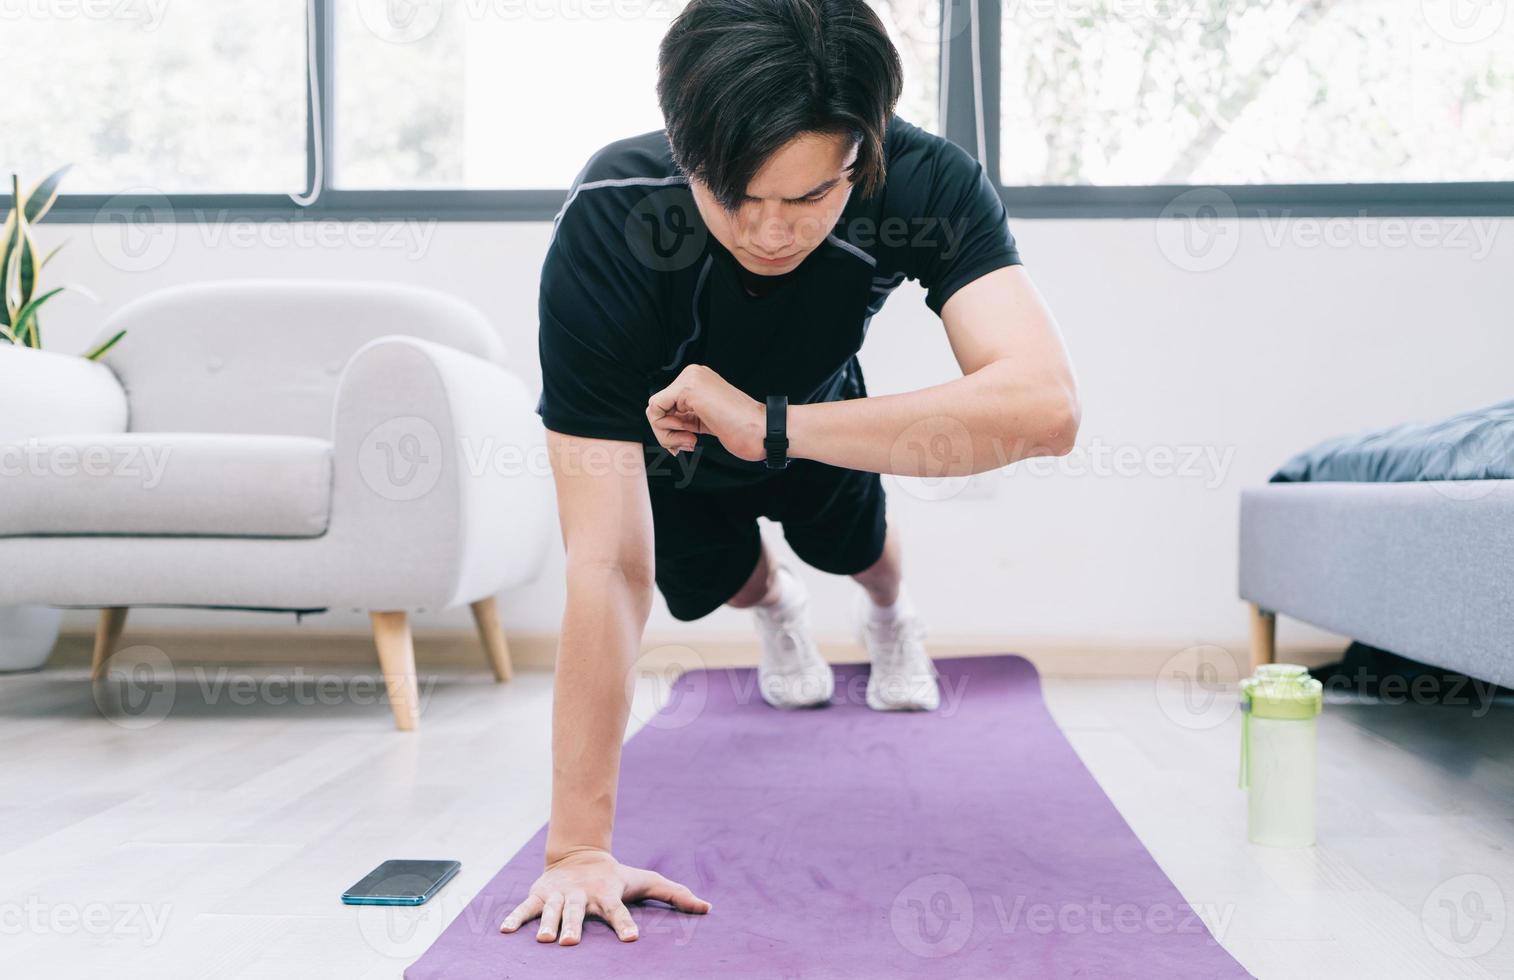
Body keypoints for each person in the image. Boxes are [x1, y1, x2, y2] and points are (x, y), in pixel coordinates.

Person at [499, 0, 1080, 947]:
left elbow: (1045, 406)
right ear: (687, 152)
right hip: (673, 444)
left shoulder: (924, 178)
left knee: (858, 548)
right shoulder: (608, 215)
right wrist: (576, 852)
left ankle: (892, 620)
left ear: (867, 149)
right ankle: (779, 612)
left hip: (817, 421)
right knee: (730, 585)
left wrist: (773, 426)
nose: (772, 232)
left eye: (810, 199)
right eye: (738, 198)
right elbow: (603, 563)